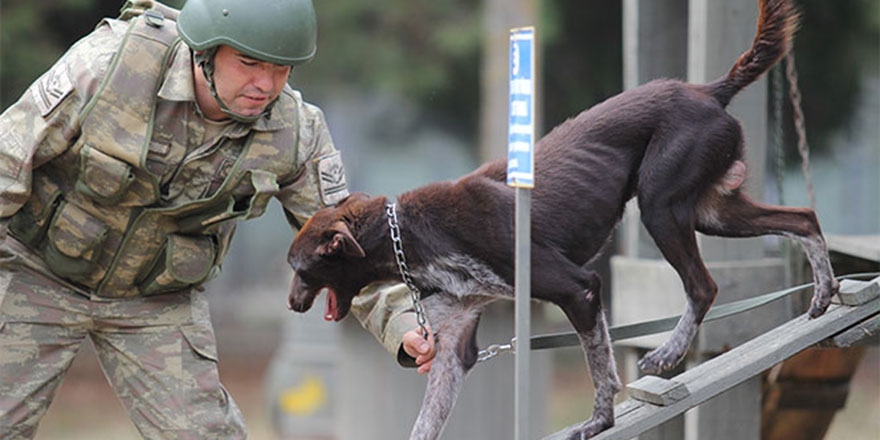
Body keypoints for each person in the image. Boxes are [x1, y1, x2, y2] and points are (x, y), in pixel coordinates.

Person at [0, 1, 434, 438]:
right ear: (204, 52)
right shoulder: (109, 66)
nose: (266, 84)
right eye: (249, 63)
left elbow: (345, 246)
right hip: (37, 273)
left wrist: (404, 325)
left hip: (154, 300)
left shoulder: (294, 133)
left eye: (282, 69)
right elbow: (8, 160)